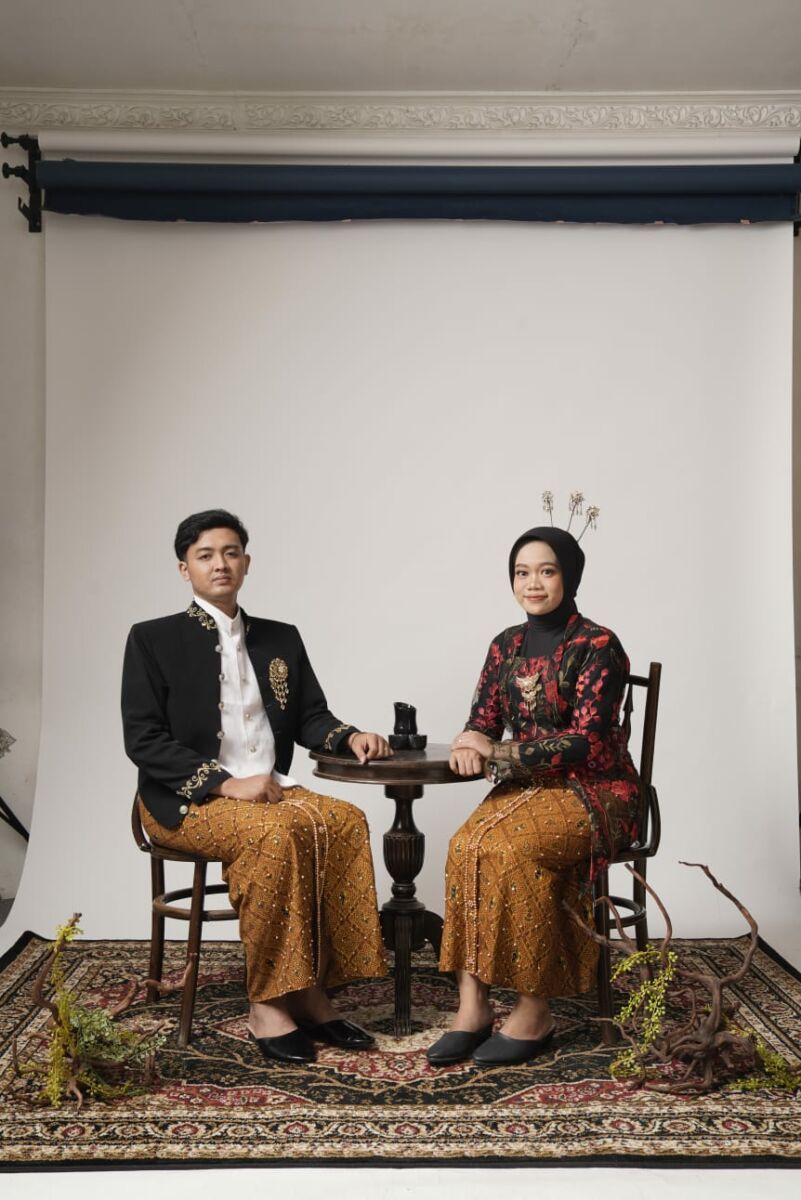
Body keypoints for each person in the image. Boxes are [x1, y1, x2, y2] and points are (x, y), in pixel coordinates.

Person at [122, 509, 390, 1065]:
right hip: (186, 800)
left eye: (230, 552)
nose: (220, 564)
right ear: (184, 568)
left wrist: (350, 736)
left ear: (246, 561)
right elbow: (143, 739)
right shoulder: (152, 639)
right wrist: (224, 784)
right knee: (271, 837)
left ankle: (313, 992)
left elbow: (311, 716)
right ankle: (267, 1002)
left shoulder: (279, 637)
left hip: (273, 792)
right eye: (205, 555)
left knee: (345, 821)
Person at [426, 524, 640, 1067]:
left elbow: (584, 741)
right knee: (465, 846)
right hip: (527, 787)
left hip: (596, 790)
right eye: (522, 572)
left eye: (547, 571)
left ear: (570, 576)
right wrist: (469, 739)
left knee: (513, 851)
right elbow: (483, 720)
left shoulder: (598, 645)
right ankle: (473, 1007)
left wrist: (497, 752)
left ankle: (533, 1009)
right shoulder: (505, 645)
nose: (533, 583)